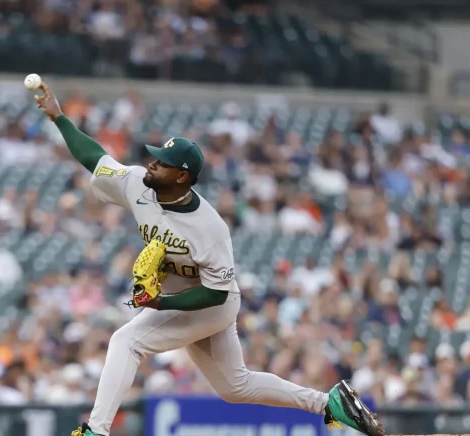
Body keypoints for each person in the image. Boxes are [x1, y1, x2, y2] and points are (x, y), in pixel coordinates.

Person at [32, 83, 384, 436]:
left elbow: (215, 293)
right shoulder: (137, 183)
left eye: (162, 163)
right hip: (185, 297)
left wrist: (161, 302)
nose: (152, 163)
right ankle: (329, 403)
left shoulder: (210, 229)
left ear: (181, 176)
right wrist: (59, 117)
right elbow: (94, 157)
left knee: (126, 341)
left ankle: (96, 431)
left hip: (211, 302)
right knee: (236, 387)